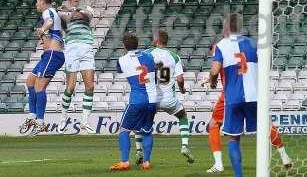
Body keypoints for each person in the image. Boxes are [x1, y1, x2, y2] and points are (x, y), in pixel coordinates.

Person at [205, 36, 292, 173]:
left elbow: (216, 71)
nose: (212, 55)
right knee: (266, 124)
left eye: (212, 52)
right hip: (253, 93)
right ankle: (284, 156)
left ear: (214, 47)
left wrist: (211, 80)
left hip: (231, 95)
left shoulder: (220, 52)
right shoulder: (242, 51)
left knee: (214, 125)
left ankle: (219, 164)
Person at [134, 29, 195, 164]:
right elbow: (179, 79)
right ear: (166, 42)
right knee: (182, 115)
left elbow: (138, 68)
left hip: (151, 98)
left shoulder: (147, 53)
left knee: (141, 121)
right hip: (169, 98)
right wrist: (182, 89)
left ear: (156, 40)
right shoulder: (174, 56)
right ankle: (185, 146)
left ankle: (139, 151)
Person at [110, 32, 157, 171]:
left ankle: (125, 161)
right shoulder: (149, 56)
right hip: (153, 100)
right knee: (147, 131)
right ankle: (147, 162)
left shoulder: (122, 60)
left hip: (137, 99)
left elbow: (119, 70)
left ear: (124, 45)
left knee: (124, 130)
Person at [21, 0, 65, 135]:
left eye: (37, 1)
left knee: (39, 87)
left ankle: (40, 122)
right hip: (48, 55)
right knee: (30, 82)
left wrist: (42, 29)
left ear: (42, 1)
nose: (36, 5)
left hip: (53, 55)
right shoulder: (51, 12)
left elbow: (49, 22)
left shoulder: (48, 11)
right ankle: (32, 116)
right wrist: (43, 35)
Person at [57, 0, 96, 134]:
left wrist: (72, 11)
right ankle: (63, 118)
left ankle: (85, 122)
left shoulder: (88, 7)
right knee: (71, 87)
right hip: (72, 48)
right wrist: (72, 13)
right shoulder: (60, 10)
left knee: (90, 86)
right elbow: (67, 19)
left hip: (86, 47)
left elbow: (86, 16)